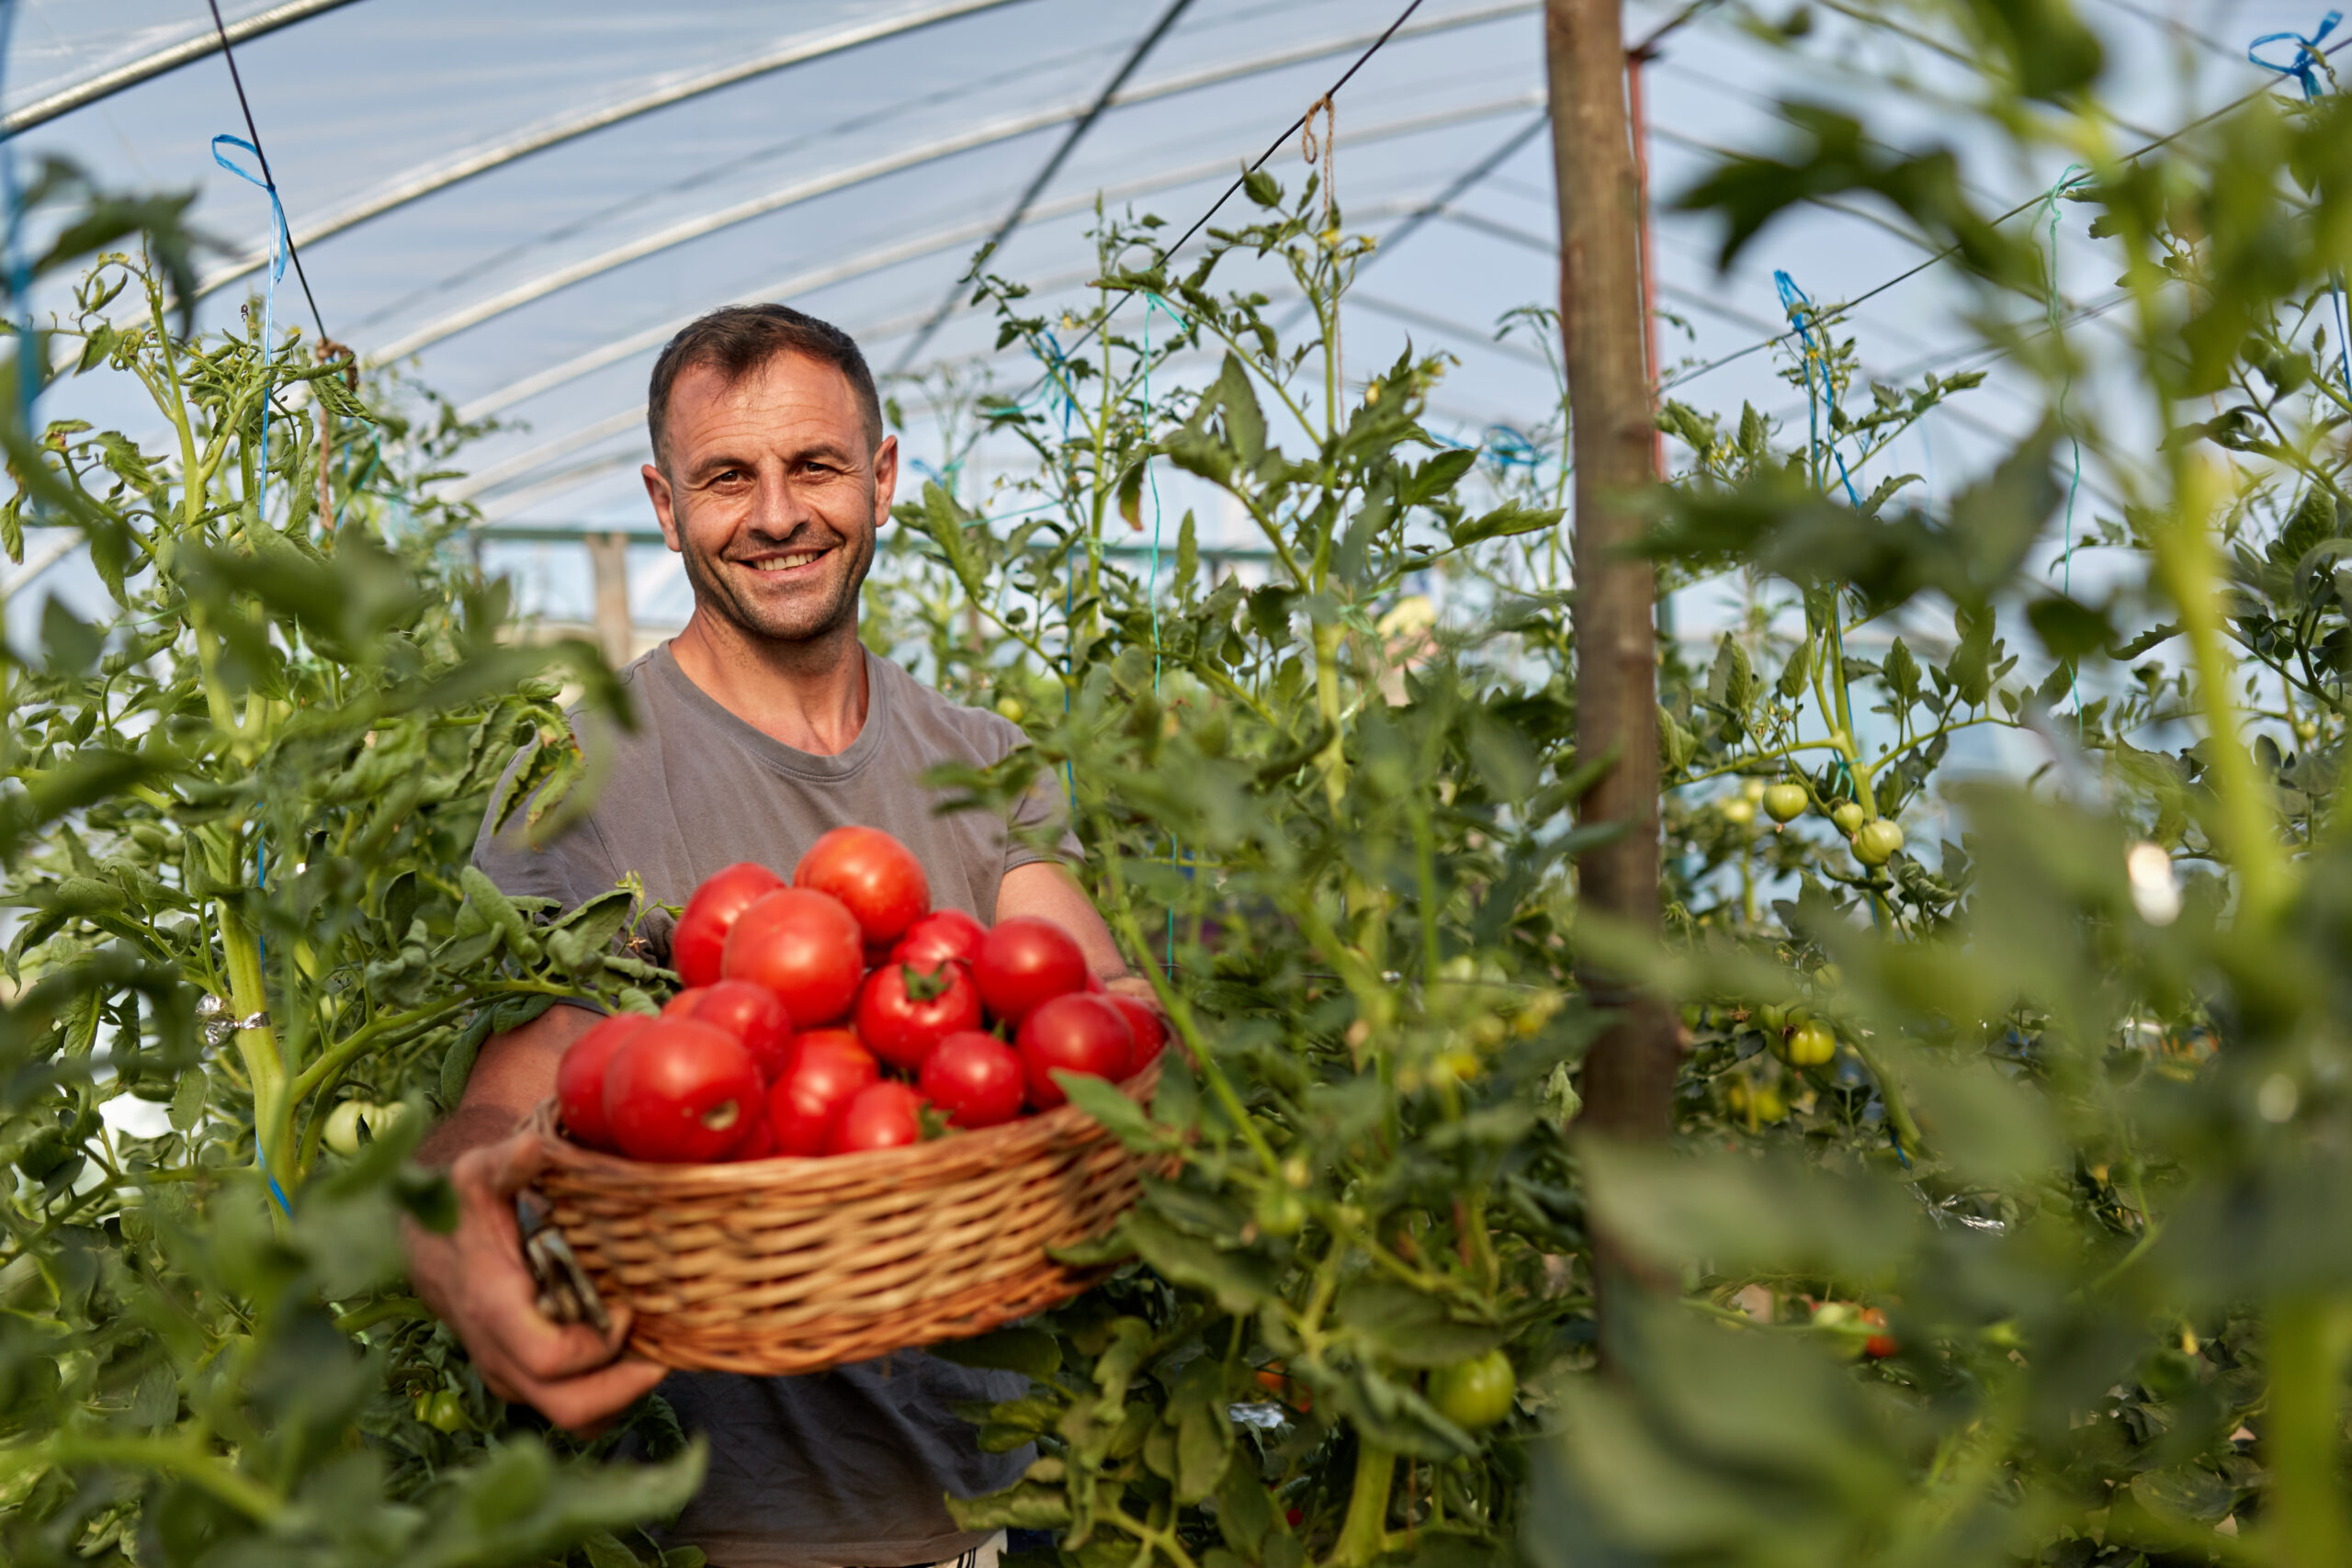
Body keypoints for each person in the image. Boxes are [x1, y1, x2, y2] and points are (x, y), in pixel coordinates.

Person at [406, 303, 1146, 1568]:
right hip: (736, 1531)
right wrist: (454, 1235)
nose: (777, 515)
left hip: (1000, 1507)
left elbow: (1101, 1005)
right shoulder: (581, 773)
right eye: (724, 479)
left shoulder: (985, 759)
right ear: (663, 499)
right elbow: (509, 1103)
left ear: (883, 476)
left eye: (813, 466)